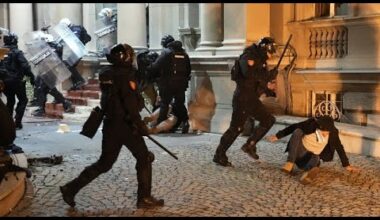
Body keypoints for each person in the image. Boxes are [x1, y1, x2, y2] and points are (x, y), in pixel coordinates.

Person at [60, 43, 164, 209]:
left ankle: (70, 188)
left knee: (105, 163)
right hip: (126, 125)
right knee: (144, 157)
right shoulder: (126, 76)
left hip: (111, 125)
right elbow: (130, 106)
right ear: (126, 58)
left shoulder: (107, 74)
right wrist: (141, 127)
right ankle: (144, 198)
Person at [213, 37, 278, 167]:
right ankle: (219, 154)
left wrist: (268, 89)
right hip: (242, 98)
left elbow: (258, 81)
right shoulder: (248, 56)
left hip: (252, 99)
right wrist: (268, 75)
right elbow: (248, 75)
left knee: (268, 120)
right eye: (270, 53)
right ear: (264, 49)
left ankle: (250, 144)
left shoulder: (261, 60)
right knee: (236, 128)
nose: (270, 56)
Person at [266, 115, 360, 184]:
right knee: (297, 131)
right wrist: (278, 136)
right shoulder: (310, 124)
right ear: (319, 127)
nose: (326, 134)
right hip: (298, 151)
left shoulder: (333, 132)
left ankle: (307, 174)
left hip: (309, 158)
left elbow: (339, 147)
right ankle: (290, 163)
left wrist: (347, 165)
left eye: (328, 131)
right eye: (324, 131)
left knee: (316, 159)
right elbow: (294, 127)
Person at [147, 35, 191, 134]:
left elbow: (156, 66)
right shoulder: (184, 53)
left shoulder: (166, 52)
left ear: (164, 43)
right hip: (181, 84)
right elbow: (188, 70)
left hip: (167, 84)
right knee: (180, 104)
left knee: (164, 104)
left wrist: (149, 68)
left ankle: (161, 126)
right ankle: (185, 122)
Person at [0, 32, 35, 129]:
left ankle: (8, 123)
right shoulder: (17, 52)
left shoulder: (1, 52)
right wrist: (32, 78)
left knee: (10, 101)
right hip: (16, 81)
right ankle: (17, 122)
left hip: (5, 82)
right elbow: (26, 67)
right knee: (23, 100)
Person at [31, 40, 74, 117]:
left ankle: (64, 103)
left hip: (50, 73)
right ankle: (64, 103)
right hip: (45, 72)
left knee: (47, 89)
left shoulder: (53, 50)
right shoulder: (48, 50)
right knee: (45, 89)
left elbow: (53, 62)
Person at [59, 18, 92, 91]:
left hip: (78, 51)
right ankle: (76, 83)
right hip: (72, 52)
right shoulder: (67, 31)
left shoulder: (75, 28)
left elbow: (75, 39)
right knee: (68, 66)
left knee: (68, 65)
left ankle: (80, 81)